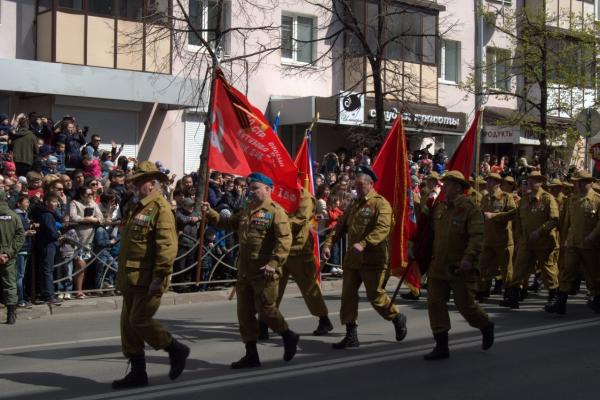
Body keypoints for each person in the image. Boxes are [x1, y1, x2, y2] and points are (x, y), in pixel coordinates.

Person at [203, 172, 299, 369]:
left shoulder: (275, 211)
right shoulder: (247, 210)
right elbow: (228, 223)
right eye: (250, 188)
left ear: (268, 190)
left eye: (256, 188)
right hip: (245, 272)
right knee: (244, 315)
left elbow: (285, 240)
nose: (251, 192)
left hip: (264, 272)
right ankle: (251, 355)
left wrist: (274, 263)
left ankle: (288, 336)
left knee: (268, 311)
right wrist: (210, 213)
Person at [112, 161, 190, 389]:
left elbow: (167, 247)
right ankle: (138, 372)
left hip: (149, 279)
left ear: (153, 183)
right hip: (131, 277)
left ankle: (175, 348)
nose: (136, 185)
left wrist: (160, 276)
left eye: (140, 181)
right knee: (128, 326)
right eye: (135, 181)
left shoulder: (161, 209)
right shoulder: (138, 207)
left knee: (139, 320)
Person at [322, 165, 407, 349]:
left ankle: (396, 317)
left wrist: (364, 243)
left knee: (376, 296)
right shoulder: (354, 204)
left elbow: (383, 229)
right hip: (353, 261)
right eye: (356, 185)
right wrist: (328, 244)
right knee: (348, 297)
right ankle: (351, 335)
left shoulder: (380, 203)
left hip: (373, 260)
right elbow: (339, 226)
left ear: (370, 184)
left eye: (360, 185)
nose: (357, 188)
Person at [424, 170, 494, 360]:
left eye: (447, 184)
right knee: (435, 303)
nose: (444, 187)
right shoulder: (440, 208)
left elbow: (477, 237)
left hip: (460, 266)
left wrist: (468, 259)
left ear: (457, 187)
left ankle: (485, 325)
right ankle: (441, 346)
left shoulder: (470, 208)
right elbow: (429, 234)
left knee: (466, 306)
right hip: (438, 266)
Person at [260, 187, 333, 339]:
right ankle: (264, 324)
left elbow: (300, 219)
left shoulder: (303, 196)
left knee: (309, 289)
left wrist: (275, 224)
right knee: (272, 288)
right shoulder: (274, 192)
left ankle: (323, 319)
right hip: (279, 250)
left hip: (299, 251)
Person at [501, 171, 559, 309]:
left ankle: (554, 297)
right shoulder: (524, 199)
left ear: (541, 182)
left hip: (543, 242)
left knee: (548, 270)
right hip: (526, 242)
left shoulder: (548, 198)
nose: (532, 183)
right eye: (530, 180)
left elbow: (554, 219)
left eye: (535, 180)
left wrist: (540, 231)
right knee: (519, 268)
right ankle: (513, 298)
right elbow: (518, 217)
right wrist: (520, 236)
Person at [546, 171, 600, 314]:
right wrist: (564, 239)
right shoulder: (572, 199)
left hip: (590, 245)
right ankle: (561, 302)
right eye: (576, 182)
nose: (577, 184)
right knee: (567, 271)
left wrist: (593, 236)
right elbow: (566, 222)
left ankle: (598, 298)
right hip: (572, 243)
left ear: (589, 182)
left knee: (592, 274)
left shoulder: (597, 199)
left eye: (580, 181)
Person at [477, 173, 516, 300]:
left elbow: (513, 214)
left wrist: (495, 216)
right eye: (487, 181)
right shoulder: (485, 198)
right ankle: (483, 290)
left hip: (502, 240)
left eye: (491, 182)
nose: (488, 184)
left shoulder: (506, 197)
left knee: (506, 270)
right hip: (488, 239)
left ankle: (509, 294)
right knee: (483, 266)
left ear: (498, 183)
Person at [0, 189, 26, 324]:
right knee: (10, 284)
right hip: (8, 256)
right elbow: (21, 236)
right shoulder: (14, 216)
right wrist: (8, 253)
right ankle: (11, 314)